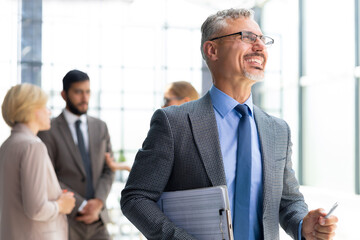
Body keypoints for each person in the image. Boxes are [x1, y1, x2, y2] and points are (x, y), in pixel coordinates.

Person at [121, 8, 338, 240]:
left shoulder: (278, 130)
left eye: (262, 39)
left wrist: (302, 225)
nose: (260, 46)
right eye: (247, 37)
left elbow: (288, 201)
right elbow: (136, 197)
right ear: (212, 50)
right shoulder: (175, 123)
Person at [38, 70, 115, 240]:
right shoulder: (47, 130)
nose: (84, 97)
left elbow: (109, 169)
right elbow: (47, 176)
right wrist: (82, 205)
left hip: (98, 219)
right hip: (67, 219)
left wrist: (98, 203)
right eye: (78, 92)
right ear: (64, 94)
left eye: (87, 91)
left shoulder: (101, 127)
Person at [0, 83, 75, 240]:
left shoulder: (7, 145)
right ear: (31, 109)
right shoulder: (33, 146)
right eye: (45, 107)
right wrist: (62, 205)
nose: (49, 112)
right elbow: (36, 209)